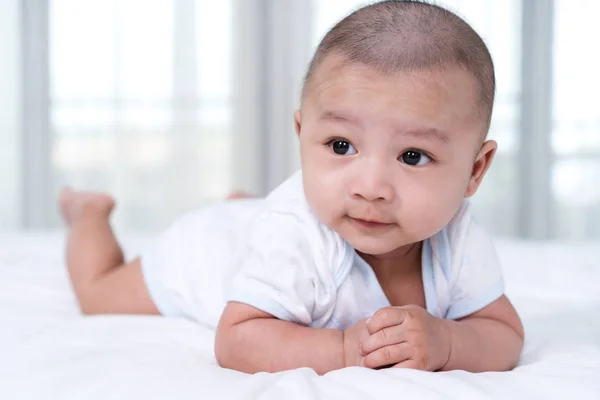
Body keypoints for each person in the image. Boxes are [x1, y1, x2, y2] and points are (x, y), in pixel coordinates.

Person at [59, 0, 524, 375]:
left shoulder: (457, 233)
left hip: (259, 228)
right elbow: (238, 338)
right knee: (97, 294)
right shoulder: (294, 237)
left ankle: (246, 209)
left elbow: (503, 334)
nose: (371, 187)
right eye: (341, 145)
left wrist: (450, 342)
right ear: (302, 134)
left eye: (412, 156)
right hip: (206, 251)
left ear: (474, 171)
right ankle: (90, 213)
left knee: (263, 222)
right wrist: (343, 350)